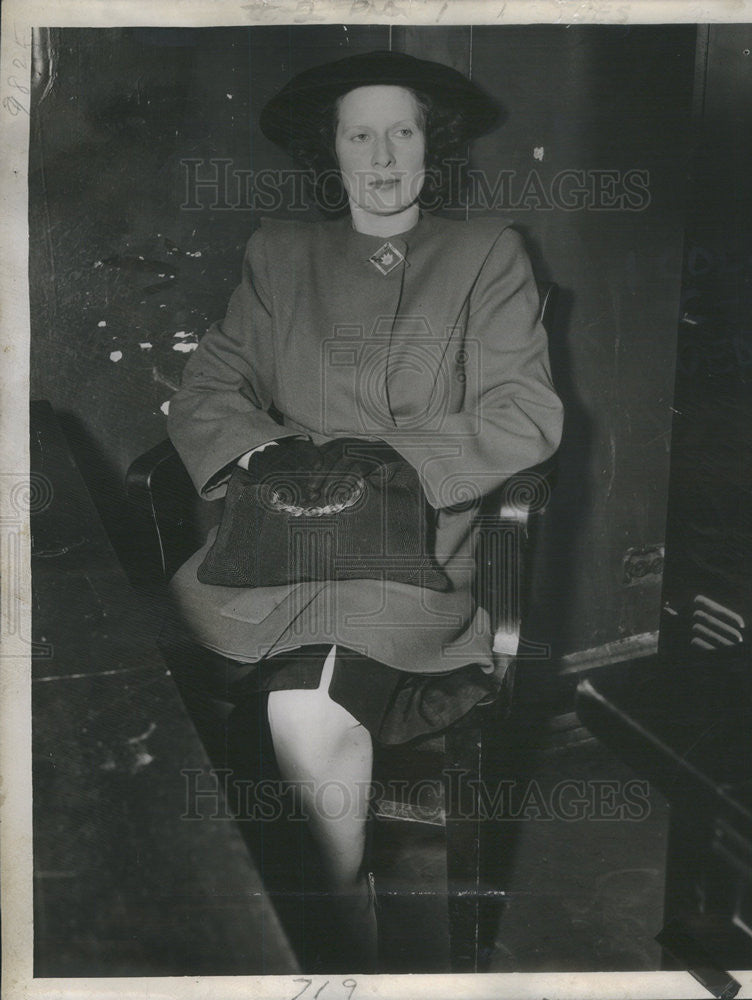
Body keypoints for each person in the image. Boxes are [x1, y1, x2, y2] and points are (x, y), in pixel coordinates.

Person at [166, 49, 564, 972]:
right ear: (330, 150)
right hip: (280, 543)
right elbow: (207, 391)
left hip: (418, 548)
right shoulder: (278, 252)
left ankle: (338, 942)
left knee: (304, 712)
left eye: (403, 131)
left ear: (433, 146)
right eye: (360, 134)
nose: (382, 156)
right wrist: (265, 456)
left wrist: (385, 466)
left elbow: (523, 413)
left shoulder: (487, 252)